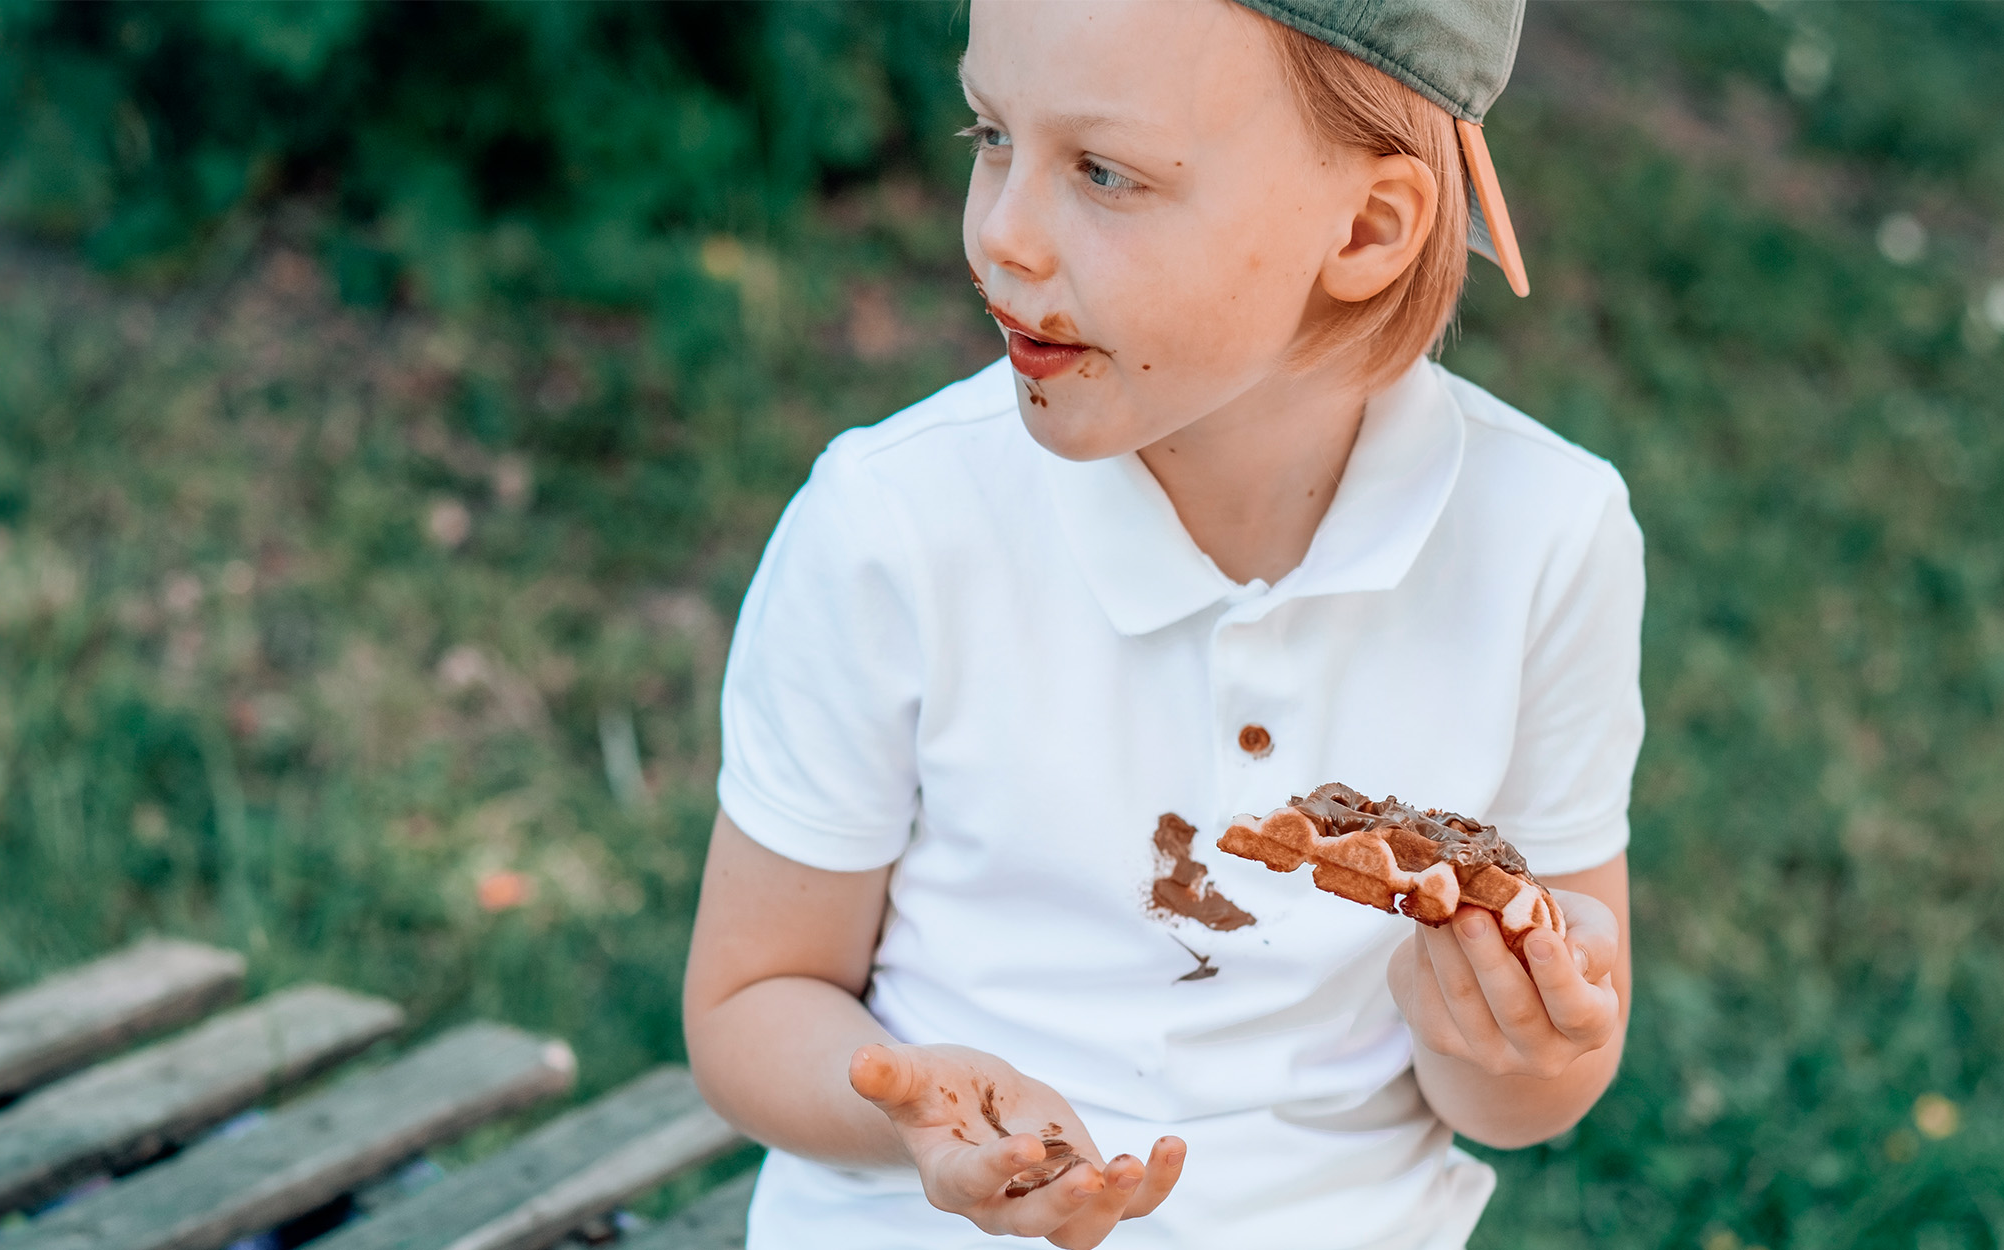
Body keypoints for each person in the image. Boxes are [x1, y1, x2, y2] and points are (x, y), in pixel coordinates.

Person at [682, 1, 1643, 1245]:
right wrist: (912, 1117)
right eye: (989, 134)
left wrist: (1500, 1031)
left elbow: (1524, 1099)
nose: (1001, 234)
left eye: (1103, 171)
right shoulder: (895, 521)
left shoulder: (1546, 537)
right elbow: (753, 996)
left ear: (1363, 227)